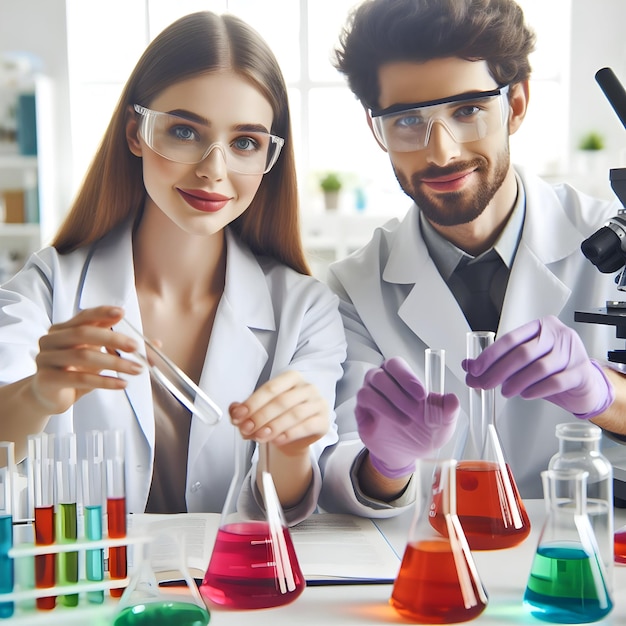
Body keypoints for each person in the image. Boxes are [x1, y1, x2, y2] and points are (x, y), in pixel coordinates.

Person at [0, 11, 346, 525]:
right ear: (136, 133)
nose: (213, 169)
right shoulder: (50, 286)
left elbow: (289, 504)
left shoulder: (305, 309)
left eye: (245, 142)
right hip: (90, 591)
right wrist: (38, 394)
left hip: (241, 594)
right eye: (185, 131)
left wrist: (293, 449)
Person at [318, 0, 626, 517]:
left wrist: (604, 393)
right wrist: (387, 464)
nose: (441, 152)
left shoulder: (611, 238)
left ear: (518, 103)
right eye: (407, 120)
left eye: (468, 110)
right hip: (430, 566)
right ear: (377, 130)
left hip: (582, 562)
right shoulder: (353, 288)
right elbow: (346, 470)